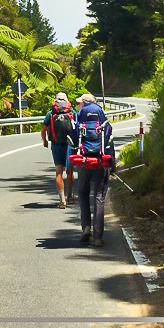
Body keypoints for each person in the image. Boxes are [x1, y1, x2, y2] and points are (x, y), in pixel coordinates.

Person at [70, 92, 115, 247]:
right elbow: (110, 142)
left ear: (84, 103)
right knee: (99, 197)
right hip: (101, 162)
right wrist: (112, 165)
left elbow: (74, 139)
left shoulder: (79, 117)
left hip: (83, 162)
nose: (78, 105)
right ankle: (97, 236)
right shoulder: (103, 119)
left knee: (82, 193)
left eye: (79, 103)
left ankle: (86, 228)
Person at [41, 92, 76, 209]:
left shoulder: (51, 113)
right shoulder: (71, 112)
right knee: (70, 170)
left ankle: (62, 200)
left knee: (58, 172)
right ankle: (70, 196)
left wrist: (44, 140)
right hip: (69, 144)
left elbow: (44, 129)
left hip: (56, 145)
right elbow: (77, 127)